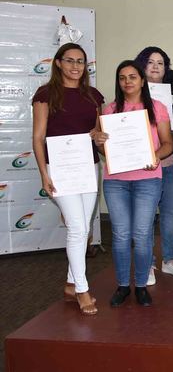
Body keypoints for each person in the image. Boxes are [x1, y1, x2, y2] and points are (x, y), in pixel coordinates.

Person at [32, 43, 104, 316]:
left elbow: (97, 133)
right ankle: (83, 290)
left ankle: (71, 283)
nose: (75, 66)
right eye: (70, 61)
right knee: (76, 228)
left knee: (83, 228)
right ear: (59, 63)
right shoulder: (45, 94)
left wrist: (100, 138)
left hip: (87, 167)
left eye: (81, 61)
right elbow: (38, 137)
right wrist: (43, 173)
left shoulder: (94, 95)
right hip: (59, 169)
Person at [101, 60, 173, 307]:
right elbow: (103, 150)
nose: (127, 81)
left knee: (142, 235)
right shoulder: (109, 110)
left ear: (142, 80)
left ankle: (141, 285)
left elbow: (168, 144)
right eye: (122, 77)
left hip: (147, 180)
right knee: (121, 235)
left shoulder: (157, 108)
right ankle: (123, 285)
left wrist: (156, 156)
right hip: (115, 181)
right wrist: (98, 141)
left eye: (132, 76)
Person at [135, 46, 173, 285]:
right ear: (141, 65)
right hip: (143, 162)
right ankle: (147, 265)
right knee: (146, 215)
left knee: (168, 212)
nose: (156, 66)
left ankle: (170, 260)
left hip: (170, 160)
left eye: (160, 62)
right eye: (150, 62)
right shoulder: (133, 88)